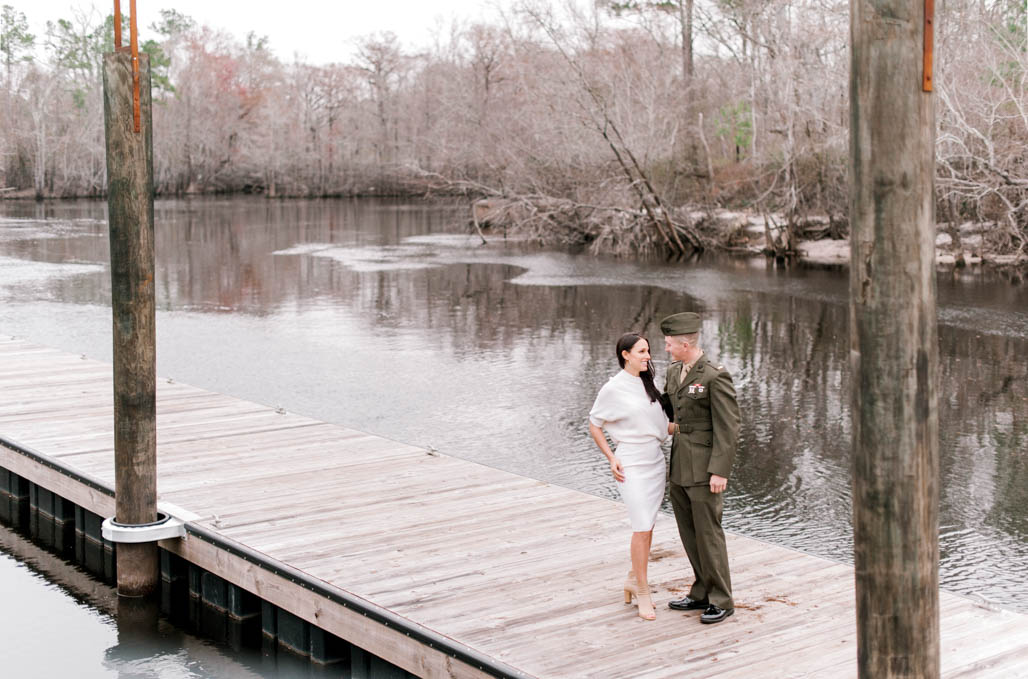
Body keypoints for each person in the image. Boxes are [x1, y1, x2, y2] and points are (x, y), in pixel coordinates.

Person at [660, 312, 741, 625]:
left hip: (706, 469)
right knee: (689, 534)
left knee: (709, 535)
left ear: (684, 343)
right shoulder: (673, 372)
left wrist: (720, 471)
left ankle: (722, 598)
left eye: (669, 344)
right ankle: (701, 591)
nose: (666, 349)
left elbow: (729, 426)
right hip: (680, 464)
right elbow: (668, 409)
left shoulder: (713, 375)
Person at [588, 333, 670, 620]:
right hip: (631, 464)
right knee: (641, 526)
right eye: (642, 351)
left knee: (648, 527)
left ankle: (633, 580)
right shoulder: (613, 389)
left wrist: (697, 429)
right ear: (625, 354)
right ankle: (643, 591)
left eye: (648, 351)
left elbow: (659, 427)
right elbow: (594, 424)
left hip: (655, 461)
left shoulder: (649, 384)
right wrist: (611, 457)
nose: (648, 356)